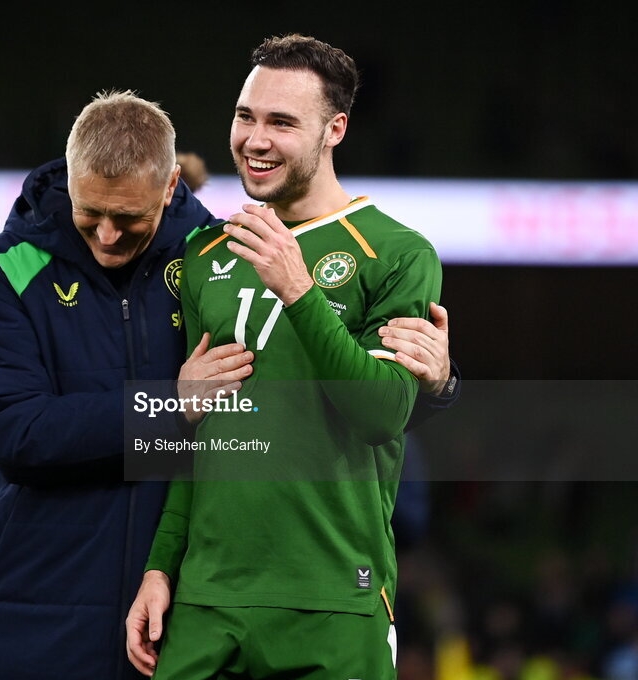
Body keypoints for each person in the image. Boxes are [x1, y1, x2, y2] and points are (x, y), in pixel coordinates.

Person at [0, 91, 456, 680]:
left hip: (180, 613)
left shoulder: (218, 255)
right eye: (90, 214)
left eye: (129, 220)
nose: (108, 237)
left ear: (168, 190)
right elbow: (14, 430)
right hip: (40, 607)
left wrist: (436, 383)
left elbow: (307, 395)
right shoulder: (4, 269)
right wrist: (169, 407)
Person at [127, 35, 444, 680]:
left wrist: (299, 290)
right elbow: (198, 436)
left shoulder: (398, 253)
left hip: (333, 598)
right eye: (246, 116)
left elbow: (382, 413)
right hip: (206, 600)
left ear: (335, 129)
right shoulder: (205, 253)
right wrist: (162, 565)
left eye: (281, 122)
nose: (254, 139)